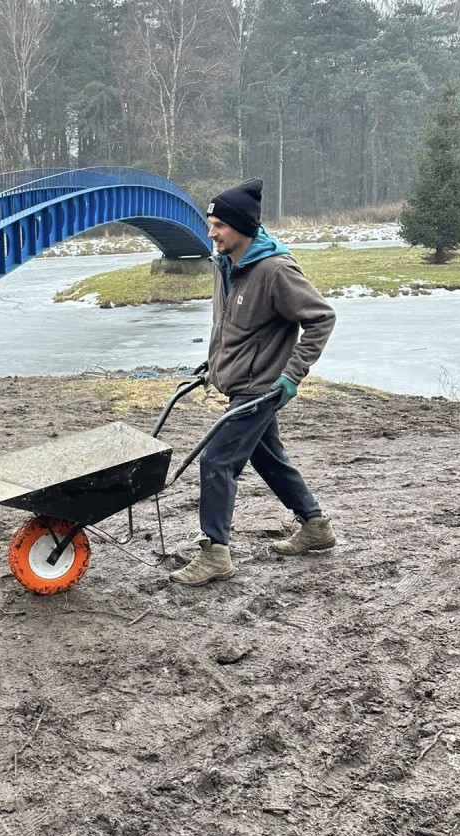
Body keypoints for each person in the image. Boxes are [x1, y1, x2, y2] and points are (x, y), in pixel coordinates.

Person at [169, 179, 337, 587]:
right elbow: (231, 328)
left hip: (261, 387)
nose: (211, 233)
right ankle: (315, 526)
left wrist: (290, 377)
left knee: (217, 461)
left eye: (219, 226)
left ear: (242, 227)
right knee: (267, 456)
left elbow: (321, 318)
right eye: (209, 224)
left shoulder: (275, 271)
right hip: (240, 380)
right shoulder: (225, 264)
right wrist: (212, 363)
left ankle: (215, 553)